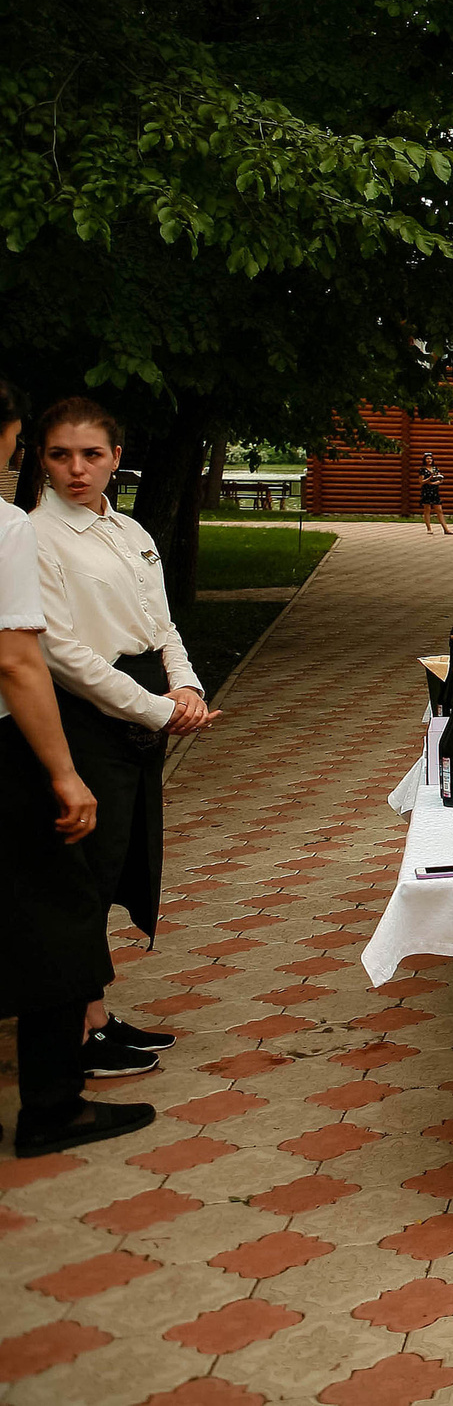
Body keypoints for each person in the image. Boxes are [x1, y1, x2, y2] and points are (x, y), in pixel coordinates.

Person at [29, 400, 213, 1085]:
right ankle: (78, 1031)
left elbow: (162, 625)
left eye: (92, 454)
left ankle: (95, 1014)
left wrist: (186, 687)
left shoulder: (130, 528)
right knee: (80, 877)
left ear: (116, 457)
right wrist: (155, 710)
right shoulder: (35, 536)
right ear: (40, 459)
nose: (77, 469)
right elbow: (61, 654)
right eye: (60, 455)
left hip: (142, 713)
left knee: (112, 868)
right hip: (87, 717)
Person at [0, 379, 112, 1159]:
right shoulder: (9, 527)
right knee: (59, 915)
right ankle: (52, 1104)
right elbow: (18, 660)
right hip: (7, 749)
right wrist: (65, 774)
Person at [420, 455, 453, 534]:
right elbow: (421, 482)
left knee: (439, 510)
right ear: (424, 460)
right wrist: (429, 478)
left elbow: (440, 479)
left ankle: (445, 529)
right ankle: (429, 528)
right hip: (426, 490)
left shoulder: (435, 469)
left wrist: (437, 482)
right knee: (427, 509)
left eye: (430, 458)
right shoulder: (422, 470)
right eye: (427, 459)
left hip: (434, 490)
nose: (429, 460)